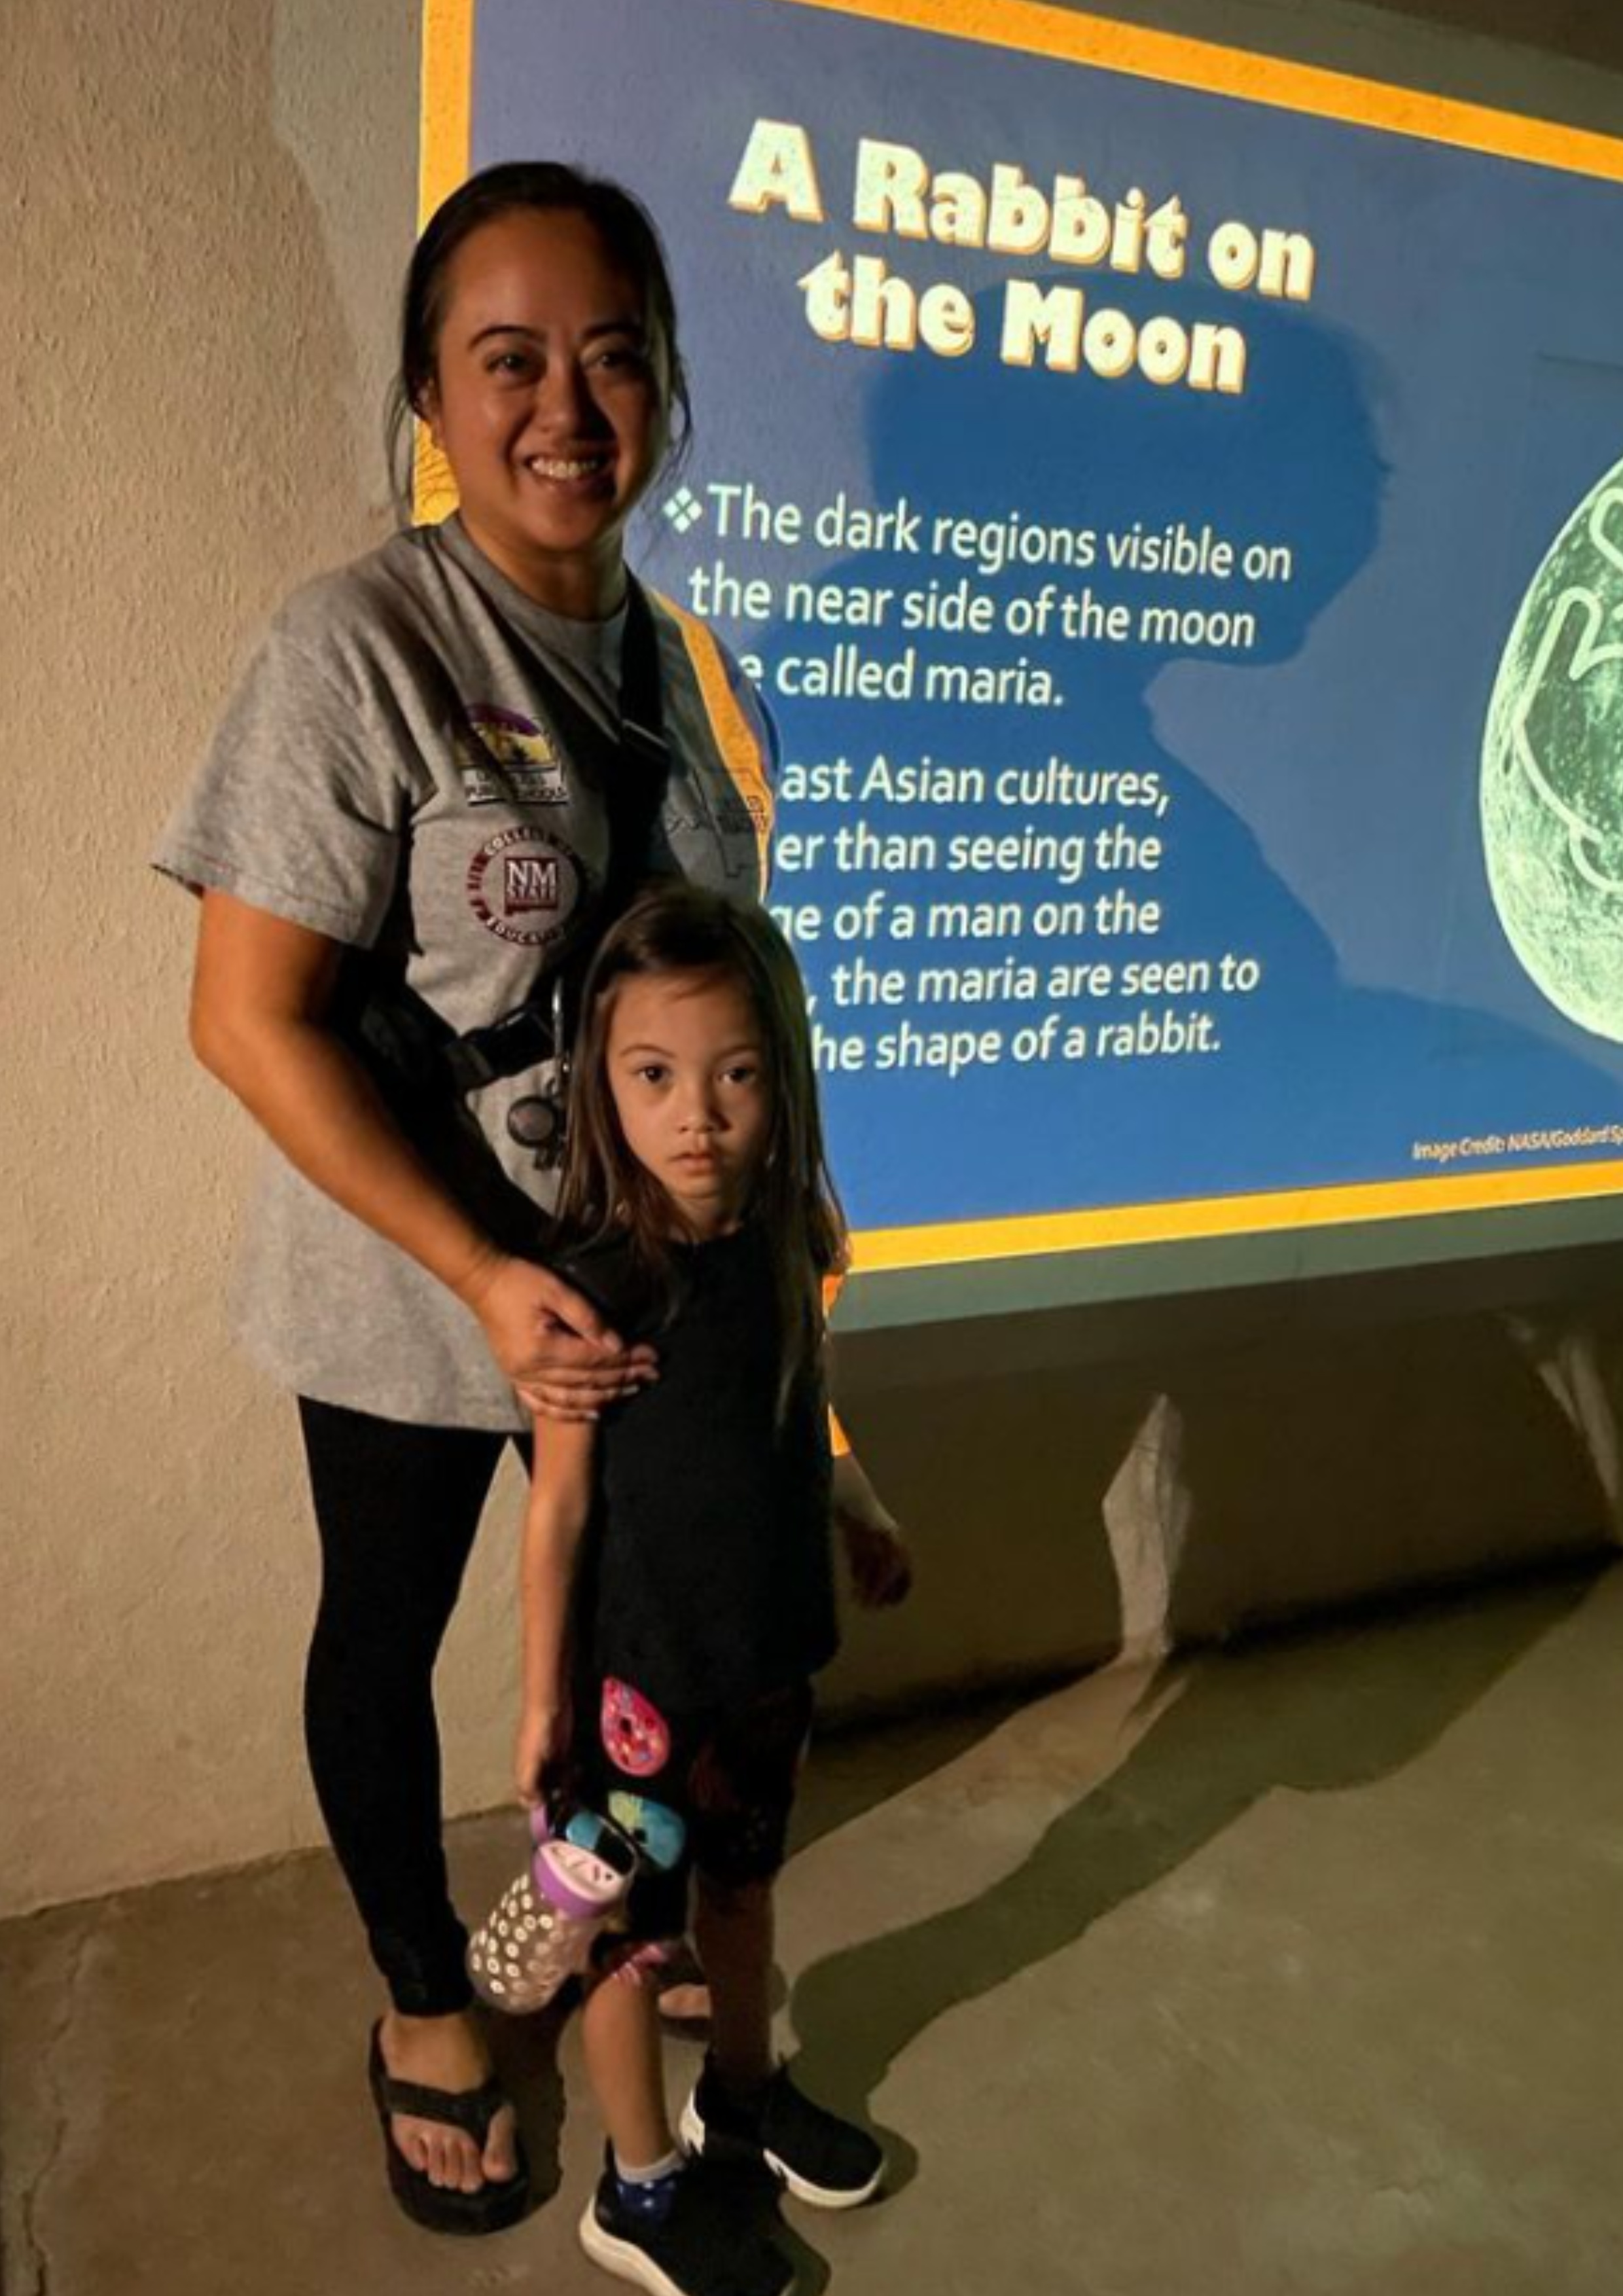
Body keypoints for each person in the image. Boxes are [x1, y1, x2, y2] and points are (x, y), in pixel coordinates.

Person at [154, 161, 794, 2233]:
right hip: (412, 1291)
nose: (567, 406)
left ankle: (627, 1916)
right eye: (507, 359)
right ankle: (430, 1999)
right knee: (396, 1631)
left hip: (638, 1311)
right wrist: (480, 1271)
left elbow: (718, 1008)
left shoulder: (687, 679)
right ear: (429, 395)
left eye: (615, 356)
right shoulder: (360, 644)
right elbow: (250, 1022)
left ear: (670, 390)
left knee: (638, 1642)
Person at [512, 884, 910, 2296]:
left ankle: (738, 2096)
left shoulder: (788, 1232)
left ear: (784, 1074)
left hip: (764, 1659)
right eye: (655, 1075)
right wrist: (539, 1701)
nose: (698, 1114)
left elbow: (798, 1407)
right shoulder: (594, 1285)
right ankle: (636, 2184)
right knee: (623, 1937)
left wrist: (856, 1505)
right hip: (632, 1693)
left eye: (737, 1074)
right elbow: (557, 1510)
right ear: (600, 1080)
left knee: (743, 1893)